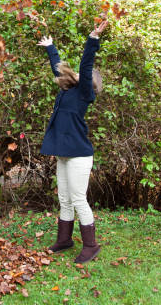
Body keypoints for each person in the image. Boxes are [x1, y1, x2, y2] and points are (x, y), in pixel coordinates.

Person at [36, 19, 108, 264]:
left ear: (91, 83)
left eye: (82, 74)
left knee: (78, 199)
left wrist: (93, 38)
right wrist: (50, 46)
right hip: (65, 153)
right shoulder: (67, 90)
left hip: (79, 154)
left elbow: (86, 65)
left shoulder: (84, 94)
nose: (76, 73)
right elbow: (59, 69)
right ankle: (64, 240)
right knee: (64, 199)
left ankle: (91, 245)